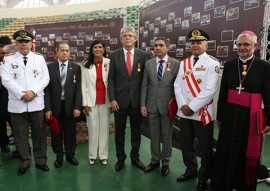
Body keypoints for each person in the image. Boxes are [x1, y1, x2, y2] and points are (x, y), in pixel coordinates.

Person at [210, 30, 270, 191]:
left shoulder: (264, 66)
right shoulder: (229, 64)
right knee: (226, 149)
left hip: (251, 116)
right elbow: (222, 93)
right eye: (239, 44)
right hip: (230, 115)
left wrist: (268, 120)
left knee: (246, 152)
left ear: (255, 46)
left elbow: (268, 95)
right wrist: (220, 116)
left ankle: (243, 185)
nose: (242, 47)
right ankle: (224, 183)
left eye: (246, 44)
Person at [174, 28, 220, 191]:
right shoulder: (183, 63)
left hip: (202, 113)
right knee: (186, 144)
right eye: (192, 43)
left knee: (205, 147)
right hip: (185, 112)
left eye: (199, 42)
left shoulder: (213, 64)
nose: (195, 45)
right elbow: (177, 85)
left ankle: (204, 176)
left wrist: (191, 107)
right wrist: (183, 106)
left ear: (206, 45)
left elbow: (209, 90)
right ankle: (191, 170)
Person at [1, 30, 50, 175]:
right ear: (16, 44)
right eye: (21, 42)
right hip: (17, 103)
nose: (24, 44)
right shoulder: (8, 60)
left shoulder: (39, 59)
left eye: (27, 41)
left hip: (36, 103)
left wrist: (33, 92)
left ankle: (41, 160)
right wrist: (21, 94)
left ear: (31, 43)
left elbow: (45, 78)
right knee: (20, 135)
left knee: (39, 134)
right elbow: (6, 79)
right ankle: (24, 161)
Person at [108, 26, 147, 171]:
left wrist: (144, 102)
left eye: (130, 35)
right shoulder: (114, 55)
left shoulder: (143, 55)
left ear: (135, 38)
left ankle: (135, 158)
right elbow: (111, 79)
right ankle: (120, 158)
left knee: (136, 132)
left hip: (137, 102)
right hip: (120, 101)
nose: (128, 38)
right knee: (119, 133)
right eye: (125, 35)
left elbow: (145, 79)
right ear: (121, 39)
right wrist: (112, 99)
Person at [141, 37, 180, 176]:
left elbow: (179, 87)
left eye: (161, 45)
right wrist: (142, 105)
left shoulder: (176, 64)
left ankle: (166, 162)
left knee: (167, 136)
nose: (158, 48)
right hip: (151, 106)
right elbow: (144, 85)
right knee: (154, 135)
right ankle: (155, 160)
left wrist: (178, 106)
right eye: (156, 45)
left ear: (167, 48)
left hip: (167, 107)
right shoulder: (149, 64)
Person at [44, 42, 82, 168]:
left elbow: (78, 90)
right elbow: (47, 90)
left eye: (67, 50)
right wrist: (48, 108)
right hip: (55, 107)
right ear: (57, 53)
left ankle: (70, 155)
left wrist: (77, 106)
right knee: (56, 133)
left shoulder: (76, 67)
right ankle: (59, 156)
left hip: (70, 107)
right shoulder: (50, 67)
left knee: (71, 133)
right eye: (62, 50)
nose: (65, 53)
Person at [81, 40, 111, 165]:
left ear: (104, 49)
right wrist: (85, 103)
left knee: (104, 128)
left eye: (100, 47)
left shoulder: (109, 63)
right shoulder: (85, 64)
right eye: (95, 47)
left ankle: (103, 155)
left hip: (106, 101)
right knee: (93, 129)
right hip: (91, 102)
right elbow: (83, 84)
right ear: (92, 50)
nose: (98, 49)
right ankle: (92, 155)